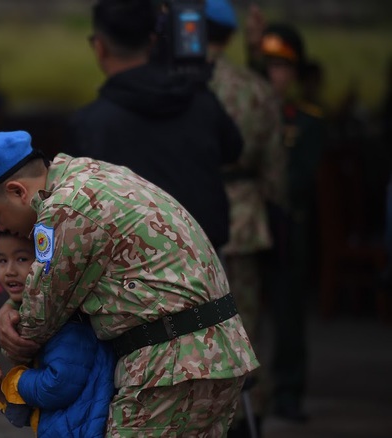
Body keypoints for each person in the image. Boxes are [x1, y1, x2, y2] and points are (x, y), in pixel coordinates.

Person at [0, 130, 259, 436]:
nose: (2, 227)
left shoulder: (65, 209)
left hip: (171, 367)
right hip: (209, 354)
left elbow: (37, 322)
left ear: (18, 192)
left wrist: (8, 315)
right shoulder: (93, 173)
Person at [69, 0, 243, 251]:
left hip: (130, 268)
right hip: (204, 262)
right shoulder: (199, 100)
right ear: (153, 41)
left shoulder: (89, 124)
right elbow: (234, 149)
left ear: (99, 47)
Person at [204, 0, 287, 435]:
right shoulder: (256, 89)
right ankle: (245, 413)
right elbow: (276, 173)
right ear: (230, 35)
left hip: (186, 218)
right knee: (245, 324)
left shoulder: (180, 86)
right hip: (244, 217)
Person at [246, 7, 326, 422]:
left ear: (294, 71)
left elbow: (300, 178)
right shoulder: (246, 111)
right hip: (249, 223)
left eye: (282, 66)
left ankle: (289, 392)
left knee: (289, 311)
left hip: (287, 224)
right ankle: (248, 390)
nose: (275, 74)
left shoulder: (308, 122)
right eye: (268, 65)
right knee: (244, 310)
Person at [0, 232, 115, 437]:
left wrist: (14, 381)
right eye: (2, 260)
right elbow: (32, 413)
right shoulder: (35, 316)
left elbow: (59, 385)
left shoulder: (66, 319)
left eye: (22, 259)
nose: (9, 271)